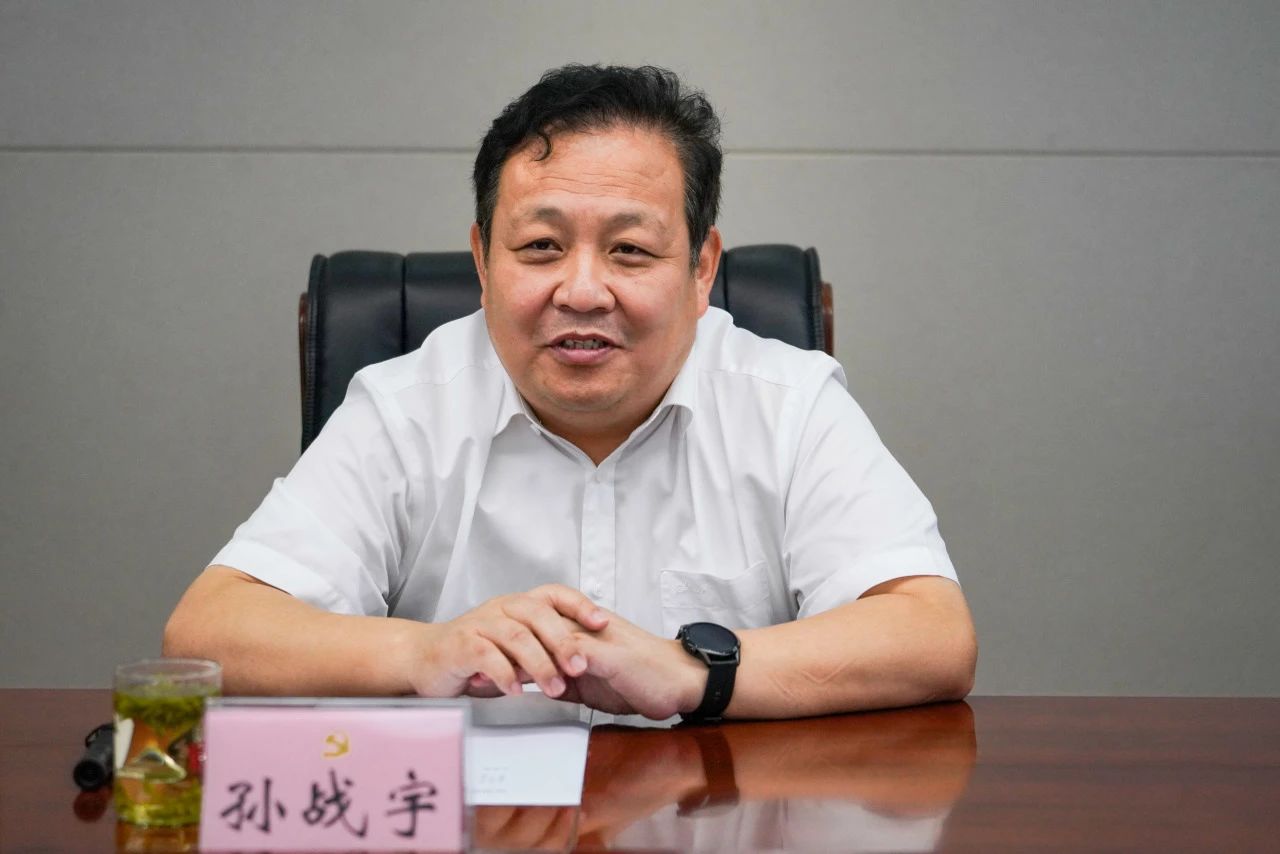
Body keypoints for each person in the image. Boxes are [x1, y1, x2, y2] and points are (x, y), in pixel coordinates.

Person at [164, 64, 976, 721]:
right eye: (542, 247)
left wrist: (693, 671)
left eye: (630, 250)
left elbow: (932, 634)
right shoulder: (405, 408)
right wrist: (421, 650)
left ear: (701, 269)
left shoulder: (788, 404)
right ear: (483, 262)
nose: (582, 291)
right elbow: (208, 631)